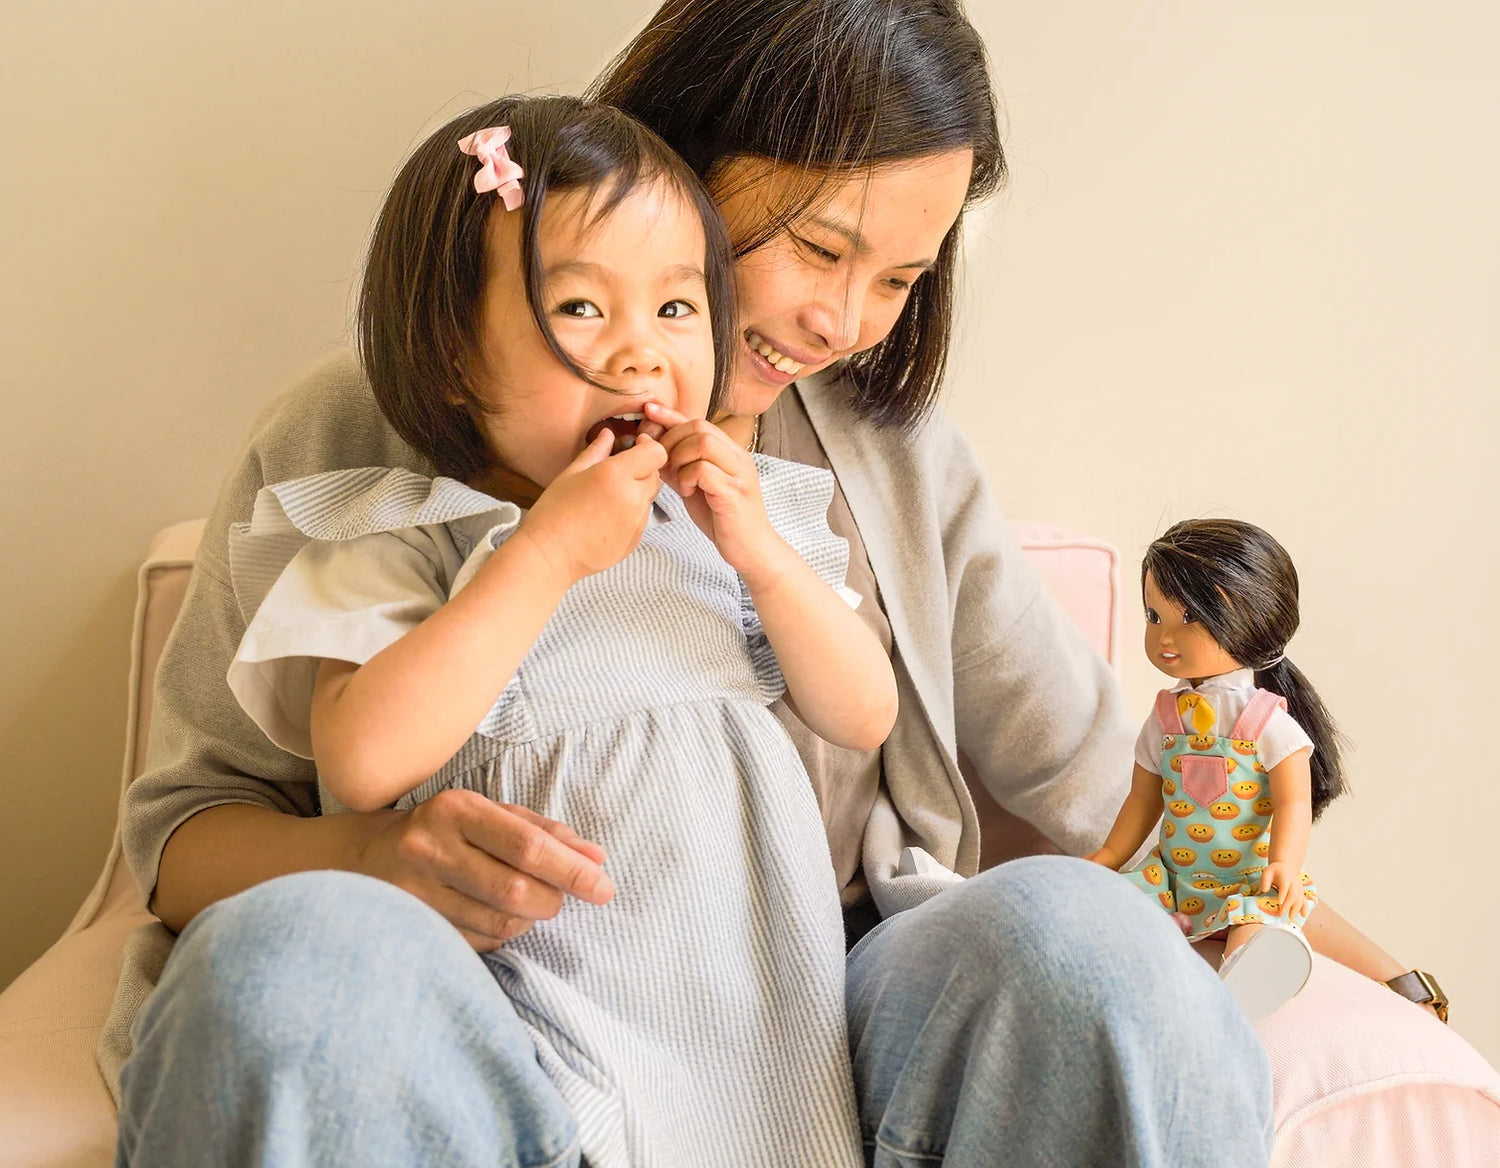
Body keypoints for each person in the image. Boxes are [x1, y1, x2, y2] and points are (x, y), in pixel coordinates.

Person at [109, 2, 1415, 1164]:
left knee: (1086, 936)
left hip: (812, 1038)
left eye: (902, 277)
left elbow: (1092, 789)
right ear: (666, 169)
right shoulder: (371, 443)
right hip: (490, 1031)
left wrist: (1345, 953)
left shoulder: (860, 472)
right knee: (292, 962)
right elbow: (189, 836)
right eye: (815, 247)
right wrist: (368, 858)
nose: (846, 324)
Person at [215, 94, 892, 1164]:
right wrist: (544, 554)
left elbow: (863, 711)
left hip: (751, 1021)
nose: (641, 356)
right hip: (540, 1021)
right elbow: (359, 757)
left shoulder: (732, 524)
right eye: (581, 309)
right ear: (449, 354)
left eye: (676, 311)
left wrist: (760, 553)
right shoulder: (403, 529)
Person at [1087, 519, 1348, 1021]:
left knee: (1260, 929)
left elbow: (1293, 801)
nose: (1166, 636)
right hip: (1177, 878)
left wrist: (1284, 867)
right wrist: (1111, 854)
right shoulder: (1166, 717)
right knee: (1109, 904)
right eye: (1154, 615)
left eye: (1193, 618)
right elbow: (1144, 797)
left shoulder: (1265, 721)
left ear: (1254, 619)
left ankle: (1236, 994)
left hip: (1248, 880)